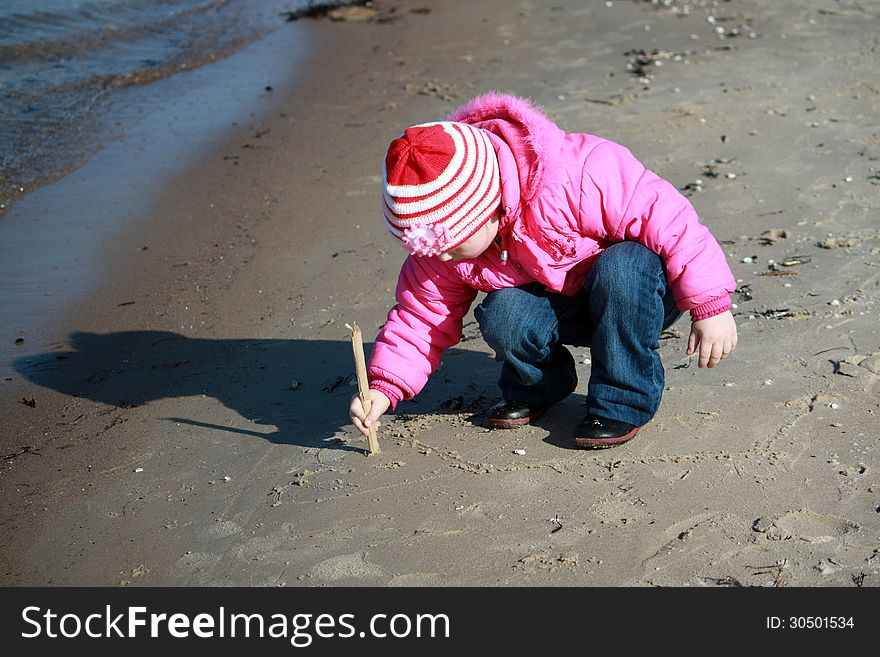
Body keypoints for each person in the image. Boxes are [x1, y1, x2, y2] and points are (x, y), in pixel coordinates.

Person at [349, 93, 737, 449]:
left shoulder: (578, 174)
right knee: (504, 312)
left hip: (638, 294)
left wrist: (711, 305)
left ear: (488, 208)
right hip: (565, 306)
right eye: (428, 249)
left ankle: (622, 401)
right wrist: (383, 388)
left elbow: (672, 221)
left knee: (623, 266)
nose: (443, 258)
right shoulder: (444, 251)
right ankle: (540, 386)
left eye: (450, 245)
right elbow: (420, 319)